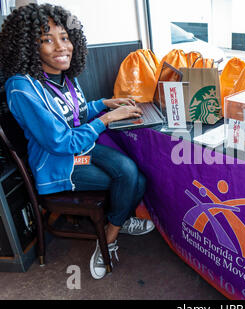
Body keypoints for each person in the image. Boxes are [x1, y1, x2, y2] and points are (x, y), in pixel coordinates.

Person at [0, 3, 154, 280]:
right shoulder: (21, 87)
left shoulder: (64, 76)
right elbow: (61, 143)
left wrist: (104, 104)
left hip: (82, 150)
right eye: (47, 39)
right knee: (129, 177)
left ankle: (118, 219)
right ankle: (109, 237)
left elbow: (76, 113)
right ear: (27, 46)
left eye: (65, 37)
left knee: (136, 176)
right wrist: (107, 119)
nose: (61, 47)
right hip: (58, 163)